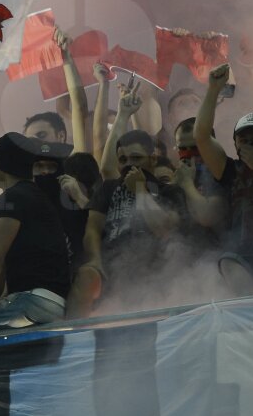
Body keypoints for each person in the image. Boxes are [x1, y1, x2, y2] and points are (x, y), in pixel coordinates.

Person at [0, 133, 73, 345]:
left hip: (32, 300)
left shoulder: (11, 198)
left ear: (4, 164)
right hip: (52, 303)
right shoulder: (35, 196)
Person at [77, 130, 184, 313]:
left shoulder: (169, 191)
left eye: (136, 158)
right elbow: (93, 228)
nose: (128, 164)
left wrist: (140, 190)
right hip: (112, 273)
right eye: (123, 160)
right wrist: (95, 261)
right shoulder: (108, 188)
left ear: (152, 160)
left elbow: (163, 228)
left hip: (155, 276)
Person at [196, 64, 253, 294]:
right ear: (235, 144)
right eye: (245, 139)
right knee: (228, 263)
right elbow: (201, 136)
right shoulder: (230, 169)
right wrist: (213, 89)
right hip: (244, 256)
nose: (251, 144)